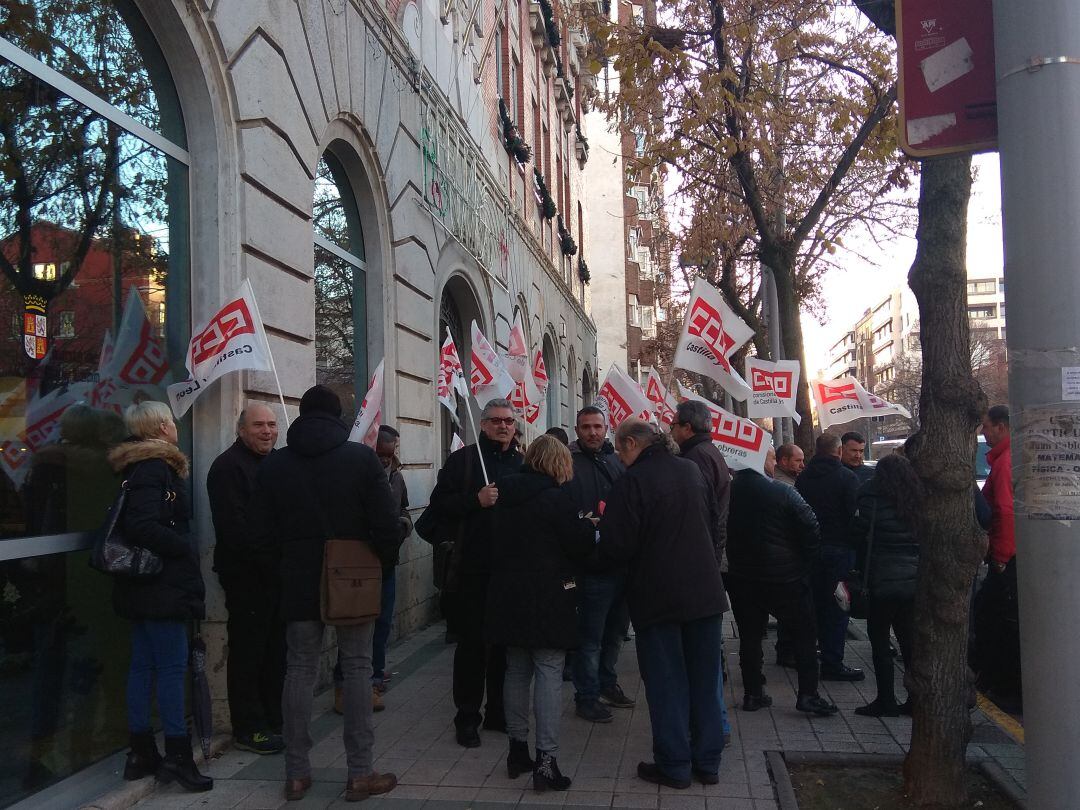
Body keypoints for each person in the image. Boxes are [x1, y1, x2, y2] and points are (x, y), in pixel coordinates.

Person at [253, 385, 401, 802]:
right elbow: (385, 522)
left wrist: (281, 568)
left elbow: (259, 532)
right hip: (353, 574)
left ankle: (296, 773)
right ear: (339, 417)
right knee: (357, 668)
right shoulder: (360, 459)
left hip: (297, 576)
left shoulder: (276, 464)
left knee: (298, 670)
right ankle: (360, 772)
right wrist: (382, 562)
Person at [599, 419, 726, 789]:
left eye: (619, 449)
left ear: (631, 443)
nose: (619, 457)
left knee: (666, 683)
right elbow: (714, 522)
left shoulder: (632, 481)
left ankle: (674, 764)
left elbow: (617, 545)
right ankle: (708, 762)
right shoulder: (691, 470)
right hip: (704, 593)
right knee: (705, 681)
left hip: (658, 598)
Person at [108, 401, 212, 792]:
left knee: (143, 665)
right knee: (170, 667)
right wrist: (183, 547)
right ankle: (178, 756)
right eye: (171, 421)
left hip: (143, 585)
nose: (176, 427)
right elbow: (143, 525)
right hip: (160, 585)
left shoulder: (137, 466)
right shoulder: (155, 467)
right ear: (162, 427)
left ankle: (141, 752)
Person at [486, 436, 597, 791]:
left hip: (508, 594)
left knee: (516, 670)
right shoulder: (557, 499)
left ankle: (517, 749)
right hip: (550, 595)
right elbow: (577, 544)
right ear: (559, 463)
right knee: (549, 670)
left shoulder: (503, 494)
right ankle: (546, 761)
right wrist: (589, 528)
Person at [427, 398, 523, 747]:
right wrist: (474, 500)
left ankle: (497, 711)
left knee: (503, 649)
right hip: (470, 571)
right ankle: (467, 717)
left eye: (508, 421)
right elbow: (439, 507)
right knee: (471, 649)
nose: (503, 426)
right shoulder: (464, 461)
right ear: (482, 424)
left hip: (509, 572)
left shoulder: (523, 463)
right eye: (496, 420)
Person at [726, 453, 836, 716]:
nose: (773, 463)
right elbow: (810, 525)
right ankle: (808, 694)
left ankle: (753, 693)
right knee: (804, 635)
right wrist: (805, 560)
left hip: (743, 576)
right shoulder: (782, 492)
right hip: (785, 577)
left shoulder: (727, 493)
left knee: (750, 636)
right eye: (771, 458)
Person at [207, 403, 285, 755]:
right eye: (258, 425)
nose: (267, 431)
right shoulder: (227, 467)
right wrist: (271, 560)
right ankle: (249, 727)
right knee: (249, 652)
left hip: (277, 575)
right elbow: (236, 530)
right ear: (241, 430)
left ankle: (273, 719)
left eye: (272, 424)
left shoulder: (278, 463)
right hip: (247, 577)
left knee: (275, 651)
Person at [563, 406, 632, 723]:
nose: (592, 432)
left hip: (621, 563)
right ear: (577, 430)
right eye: (586, 427)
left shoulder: (616, 461)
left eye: (597, 426)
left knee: (615, 633)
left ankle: (607, 682)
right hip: (590, 566)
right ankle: (587, 696)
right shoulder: (567, 463)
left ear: (607, 428)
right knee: (590, 638)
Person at [669, 400, 731, 739]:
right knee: (707, 656)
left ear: (687, 428)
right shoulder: (709, 453)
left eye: (674, 425)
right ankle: (714, 726)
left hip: (700, 565)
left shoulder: (695, 459)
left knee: (703, 659)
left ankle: (713, 728)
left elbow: (702, 514)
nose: (670, 430)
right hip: (707, 561)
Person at [849, 454, 922, 717]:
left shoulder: (870, 497)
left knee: (880, 640)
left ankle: (886, 699)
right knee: (908, 640)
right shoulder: (916, 499)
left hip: (880, 578)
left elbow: (857, 535)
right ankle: (915, 698)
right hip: (912, 578)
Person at [796, 433, 863, 681]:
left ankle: (809, 658)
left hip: (810, 550)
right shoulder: (847, 478)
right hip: (839, 551)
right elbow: (854, 517)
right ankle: (832, 662)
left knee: (812, 605)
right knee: (837, 606)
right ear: (839, 451)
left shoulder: (803, 478)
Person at [971, 404, 1021, 708]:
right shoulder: (1006, 459)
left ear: (1001, 426)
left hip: (1007, 557)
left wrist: (1000, 556)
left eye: (986, 426)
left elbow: (1004, 510)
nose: (984, 432)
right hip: (1008, 554)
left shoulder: (1005, 462)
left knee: (996, 618)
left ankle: (1003, 685)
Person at [371, 425, 412, 710]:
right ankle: (365, 677)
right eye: (381, 454)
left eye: (391, 453)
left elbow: (405, 509)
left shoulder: (397, 477)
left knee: (384, 620)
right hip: (364, 563)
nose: (386, 459)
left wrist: (403, 526)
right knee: (365, 624)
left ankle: (377, 667)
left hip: (389, 560)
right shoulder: (362, 476)